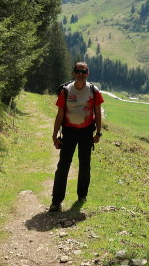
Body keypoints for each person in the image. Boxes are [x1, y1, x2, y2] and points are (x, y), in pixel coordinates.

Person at [49, 61, 104, 212]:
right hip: (69, 132)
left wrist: (98, 132)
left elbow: (98, 112)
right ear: (73, 73)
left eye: (83, 72)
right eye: (78, 71)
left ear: (88, 74)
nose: (80, 74)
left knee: (85, 166)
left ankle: (82, 196)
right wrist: (55, 134)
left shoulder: (94, 91)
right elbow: (60, 113)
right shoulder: (66, 91)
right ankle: (56, 201)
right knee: (63, 167)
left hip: (87, 132)